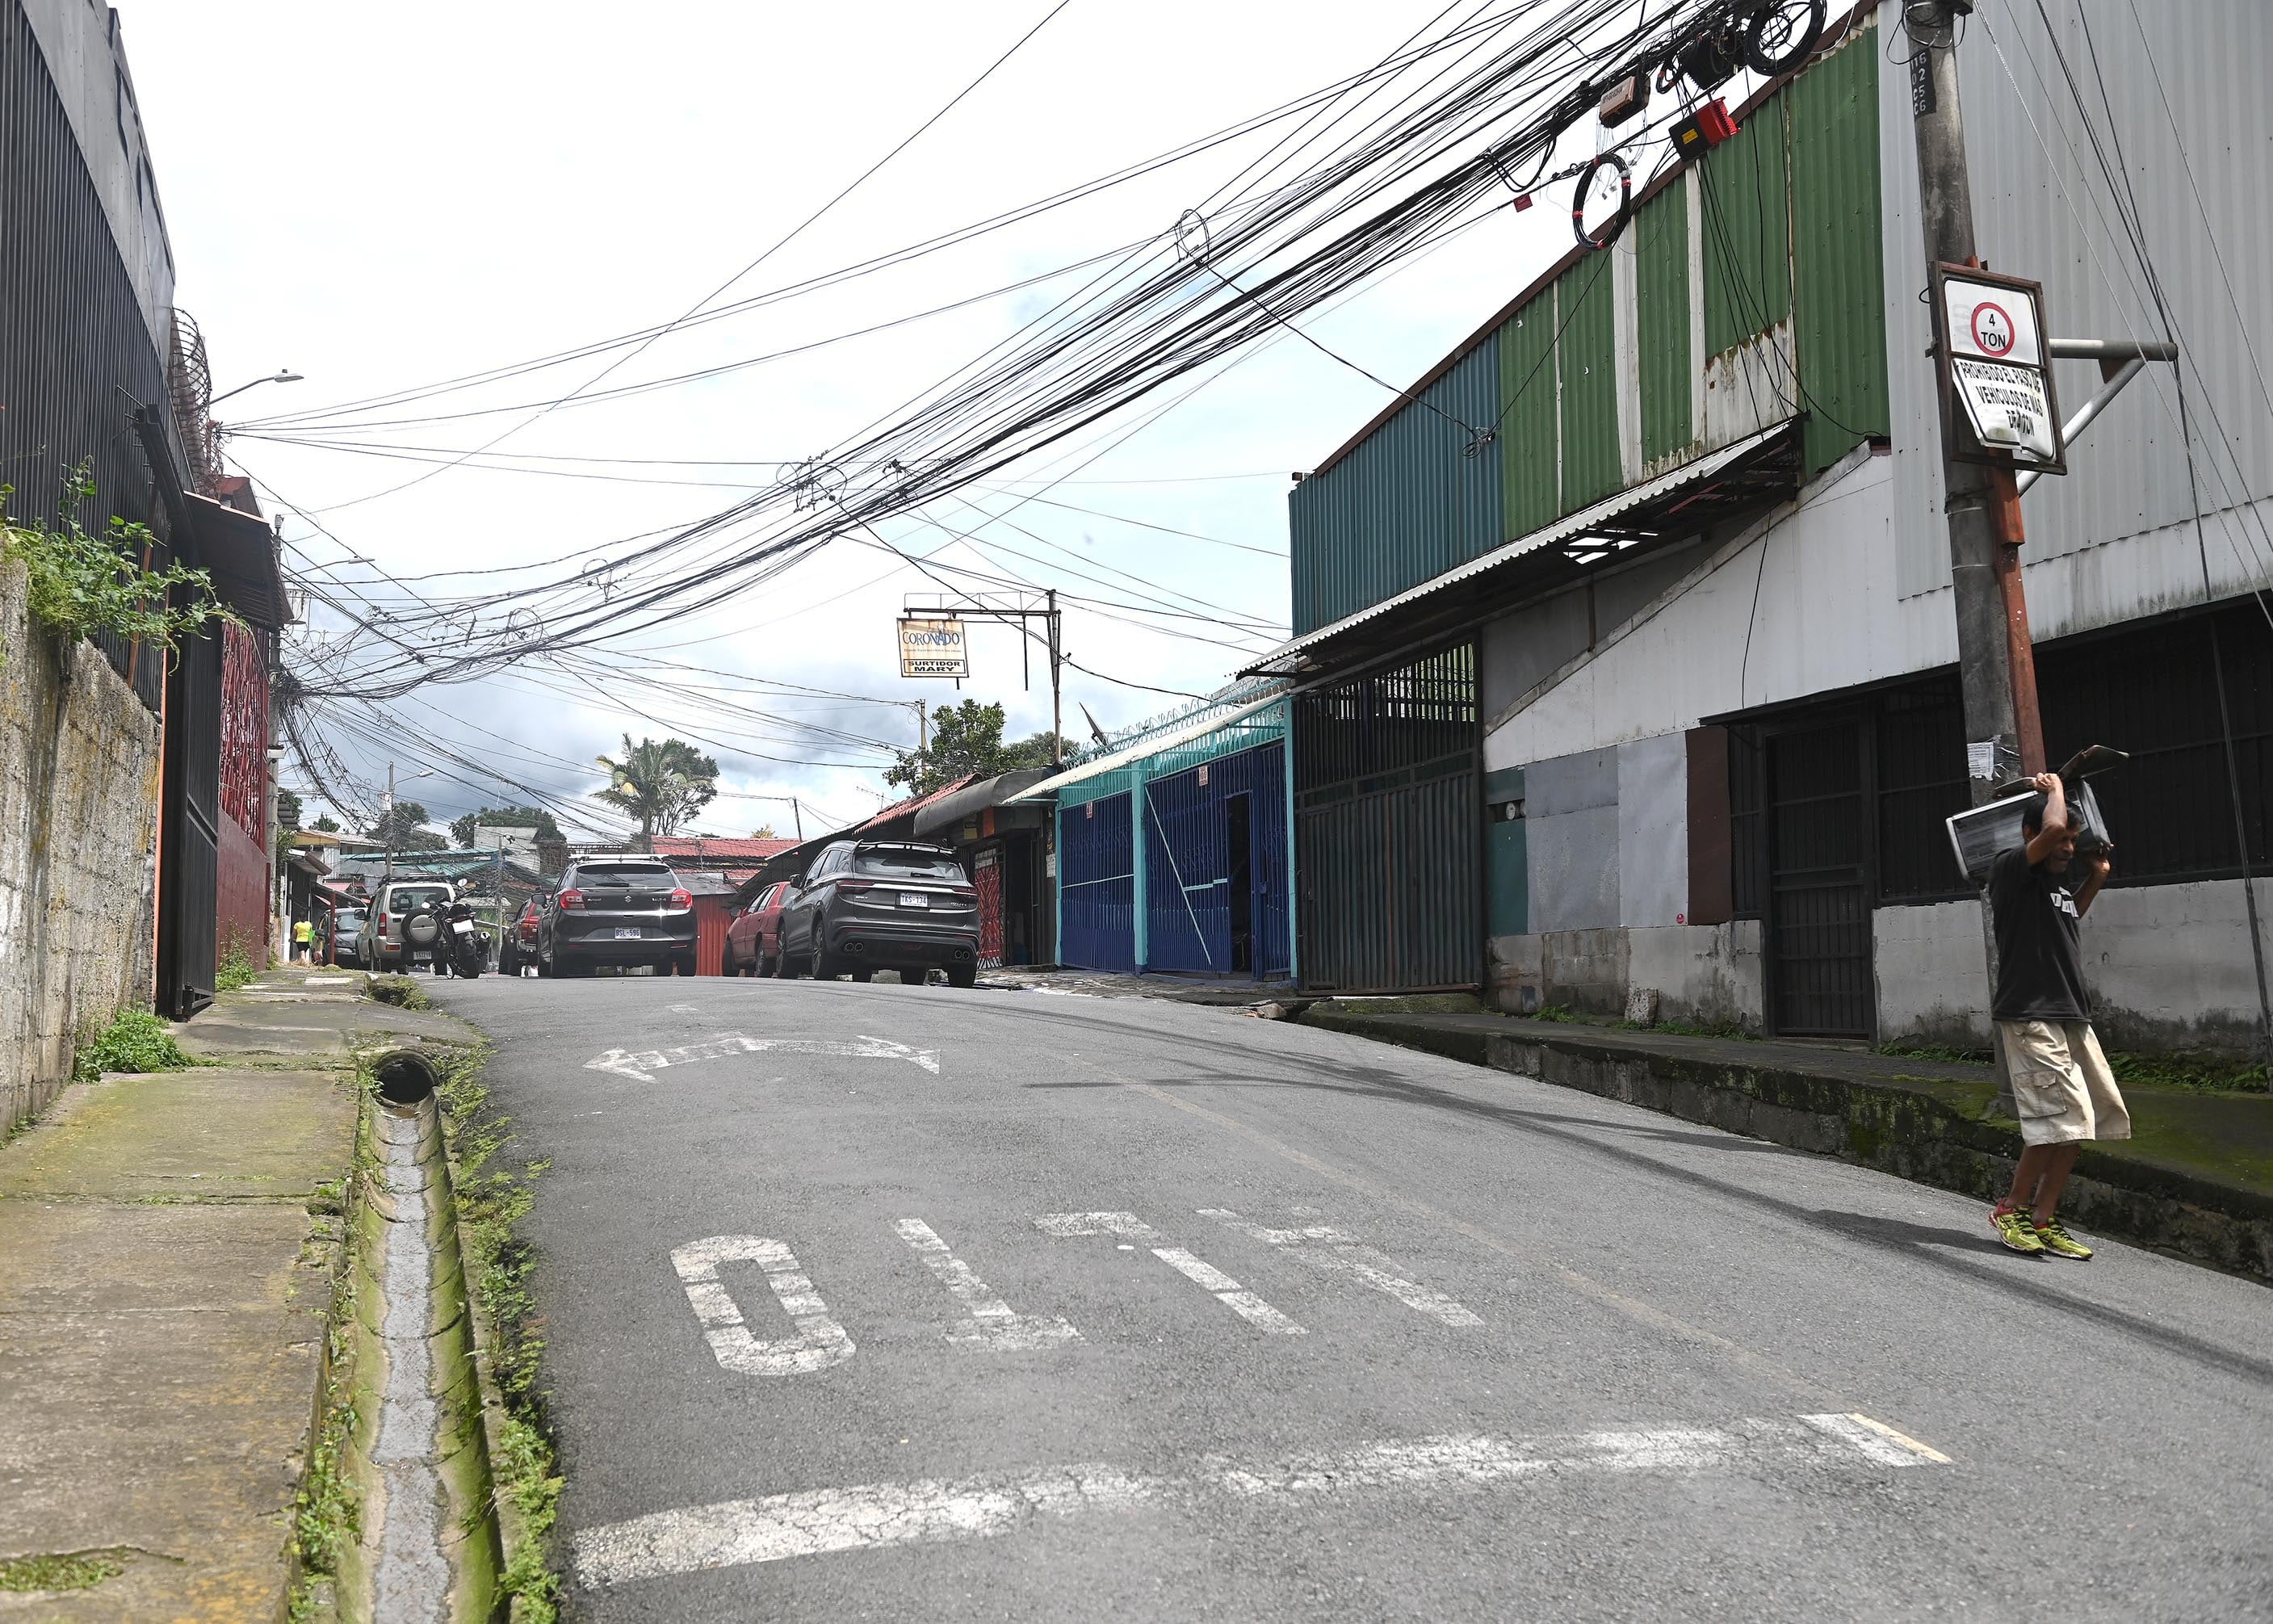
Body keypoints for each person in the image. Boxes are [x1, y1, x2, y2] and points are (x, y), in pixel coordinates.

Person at [1985, 770, 2125, 1260]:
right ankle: (2013, 1209)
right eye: (2061, 838)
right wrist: (2054, 789)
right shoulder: (2008, 871)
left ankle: (2043, 1219)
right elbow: (2047, 832)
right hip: (2029, 1014)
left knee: (2081, 1121)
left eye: (2072, 840)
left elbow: (2071, 916)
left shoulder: (2057, 886)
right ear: (2032, 835)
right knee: (2055, 1120)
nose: (2067, 846)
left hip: (2068, 1014)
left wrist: (2097, 877)